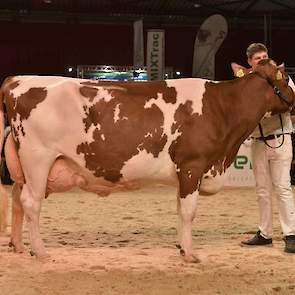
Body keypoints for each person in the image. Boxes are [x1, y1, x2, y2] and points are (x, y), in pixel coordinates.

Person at [240, 43, 295, 253]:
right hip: (258, 141)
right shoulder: (245, 83)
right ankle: (265, 233)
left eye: (264, 56)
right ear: (250, 63)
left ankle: (290, 234)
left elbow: (291, 101)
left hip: (280, 139)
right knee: (262, 190)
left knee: (282, 187)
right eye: (257, 58)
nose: (262, 60)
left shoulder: (282, 78)